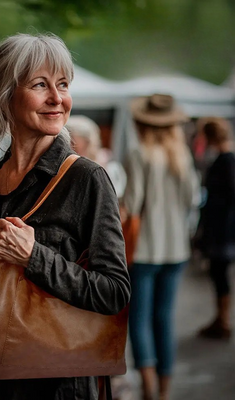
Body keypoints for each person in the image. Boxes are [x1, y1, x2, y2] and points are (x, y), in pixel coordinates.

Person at [0, 33, 130, 400]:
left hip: (50, 385)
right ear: (5, 95)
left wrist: (36, 258)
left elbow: (114, 292)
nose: (57, 98)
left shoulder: (87, 179)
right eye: (40, 85)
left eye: (63, 85)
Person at [121, 94, 199, 400]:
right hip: (176, 249)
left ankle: (149, 388)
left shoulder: (138, 153)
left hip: (143, 251)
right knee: (164, 319)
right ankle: (164, 392)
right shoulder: (182, 154)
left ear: (142, 123)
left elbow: (132, 203)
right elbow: (192, 199)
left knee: (139, 319)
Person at [196, 117, 235, 340]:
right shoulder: (223, 159)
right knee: (218, 275)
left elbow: (229, 195)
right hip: (221, 228)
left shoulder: (226, 160)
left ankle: (223, 320)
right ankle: (221, 318)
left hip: (222, 229)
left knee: (220, 275)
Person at [66, 114, 127, 198]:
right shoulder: (66, 163)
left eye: (73, 139)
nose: (69, 144)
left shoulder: (108, 165)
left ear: (87, 141)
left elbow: (115, 194)